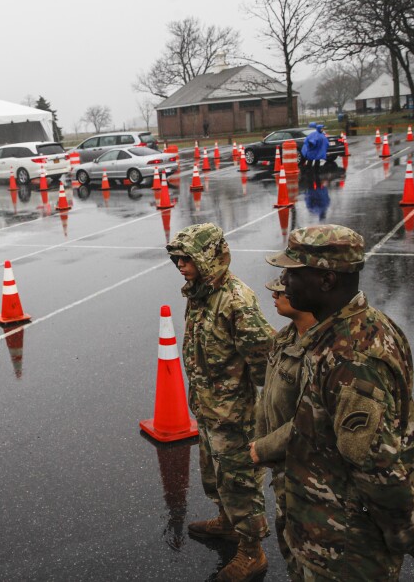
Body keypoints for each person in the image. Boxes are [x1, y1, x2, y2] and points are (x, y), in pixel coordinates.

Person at [266, 225, 414, 581]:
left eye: (293, 272)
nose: (284, 280)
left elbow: (376, 469)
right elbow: (402, 427)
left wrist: (410, 535)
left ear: (326, 280)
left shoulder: (351, 358)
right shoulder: (365, 326)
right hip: (328, 532)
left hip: (345, 550)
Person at [166, 223, 275, 582]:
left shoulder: (235, 299)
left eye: (188, 258)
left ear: (209, 257)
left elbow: (264, 360)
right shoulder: (199, 293)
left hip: (234, 415)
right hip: (209, 408)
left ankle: (251, 552)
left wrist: (265, 412)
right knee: (215, 477)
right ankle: (227, 522)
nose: (181, 264)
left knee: (240, 483)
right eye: (177, 259)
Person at [249, 276, 316, 582]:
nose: (274, 293)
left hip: (310, 478)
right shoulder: (284, 338)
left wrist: (262, 448)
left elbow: (311, 420)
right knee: (289, 546)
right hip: (282, 471)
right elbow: (269, 396)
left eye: (283, 288)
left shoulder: (321, 350)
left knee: (311, 559)